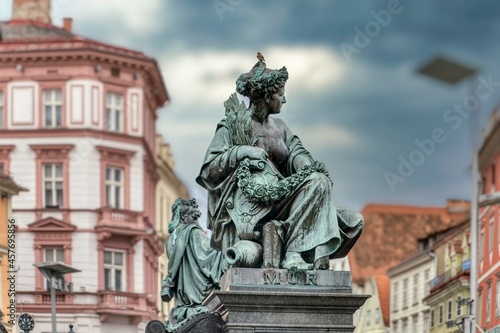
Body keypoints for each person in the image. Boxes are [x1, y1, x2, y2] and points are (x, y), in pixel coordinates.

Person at [196, 53, 363, 270]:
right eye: (280, 94)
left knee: (353, 221)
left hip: (285, 198)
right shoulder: (232, 125)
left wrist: (304, 164)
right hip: (256, 204)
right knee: (318, 182)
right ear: (267, 96)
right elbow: (209, 168)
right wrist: (242, 151)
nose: (284, 99)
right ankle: (293, 253)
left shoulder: (281, 127)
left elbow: (296, 151)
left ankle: (300, 247)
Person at [160, 198, 223, 331]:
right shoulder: (193, 232)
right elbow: (209, 254)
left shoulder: (173, 237)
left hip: (182, 297)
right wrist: (224, 249)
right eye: (193, 216)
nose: (196, 220)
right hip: (196, 292)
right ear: (184, 216)